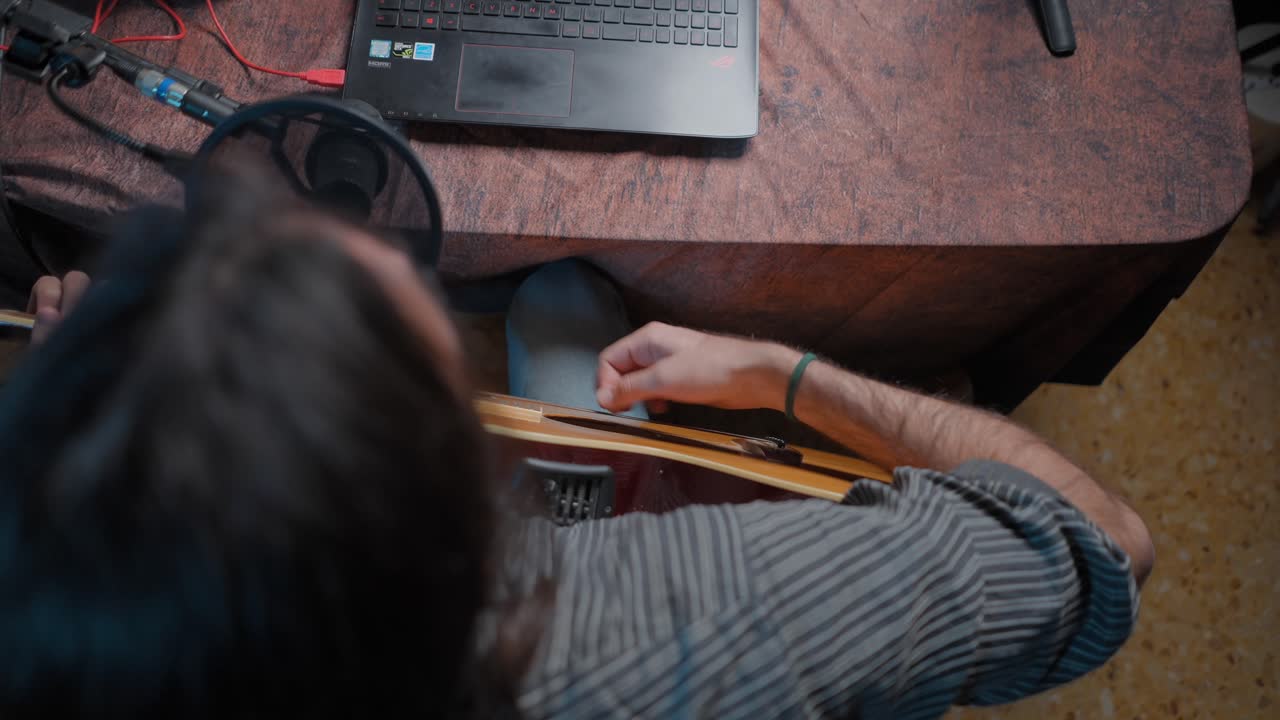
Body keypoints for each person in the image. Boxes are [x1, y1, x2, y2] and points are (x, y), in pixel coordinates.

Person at [1, 174, 1153, 719]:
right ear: (465, 511)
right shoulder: (712, 610)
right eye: (439, 376)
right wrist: (780, 377)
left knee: (561, 306)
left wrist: (106, 423)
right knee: (567, 295)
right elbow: (1107, 540)